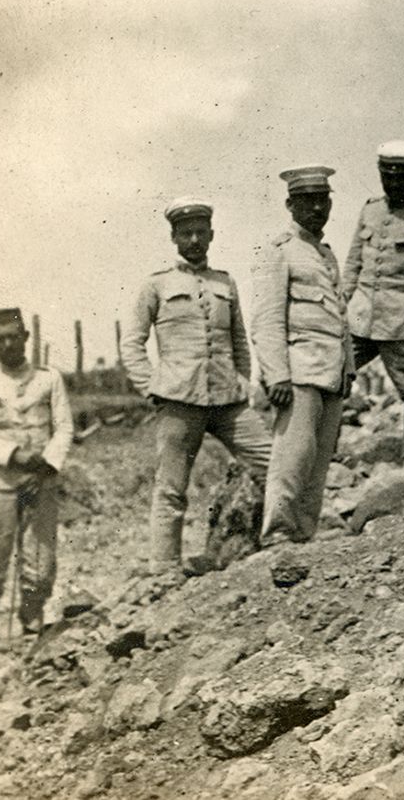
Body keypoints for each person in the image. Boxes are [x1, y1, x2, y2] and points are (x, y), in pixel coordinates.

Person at [122, 197, 271, 570]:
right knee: (171, 487)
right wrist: (150, 387)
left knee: (273, 463)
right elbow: (132, 343)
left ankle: (282, 538)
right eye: (186, 233)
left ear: (211, 235)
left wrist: (243, 381)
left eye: (200, 233)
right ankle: (164, 567)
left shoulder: (225, 282)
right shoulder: (156, 285)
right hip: (178, 398)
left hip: (227, 398)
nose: (193, 240)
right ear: (174, 237)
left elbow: (239, 340)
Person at [252, 165, 355, 547]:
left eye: (322, 200)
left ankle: (303, 532)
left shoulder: (326, 255)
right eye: (307, 201)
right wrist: (276, 374)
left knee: (318, 460)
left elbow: (339, 317)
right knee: (292, 458)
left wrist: (349, 367)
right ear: (289, 205)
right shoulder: (280, 251)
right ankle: (277, 532)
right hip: (299, 372)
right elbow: (267, 319)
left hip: (330, 371)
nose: (316, 208)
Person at [0, 308, 72, 644]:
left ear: (26, 338)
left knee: (40, 564)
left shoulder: (49, 379)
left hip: (41, 481)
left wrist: (45, 466)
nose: (7, 344)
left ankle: (33, 628)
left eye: (13, 336)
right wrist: (14, 456)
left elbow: (63, 428)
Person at [342, 142, 404, 461]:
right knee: (334, 374)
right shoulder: (369, 209)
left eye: (401, 178)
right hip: (362, 315)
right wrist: (343, 296)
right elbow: (355, 258)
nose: (394, 184)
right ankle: (326, 449)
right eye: (387, 177)